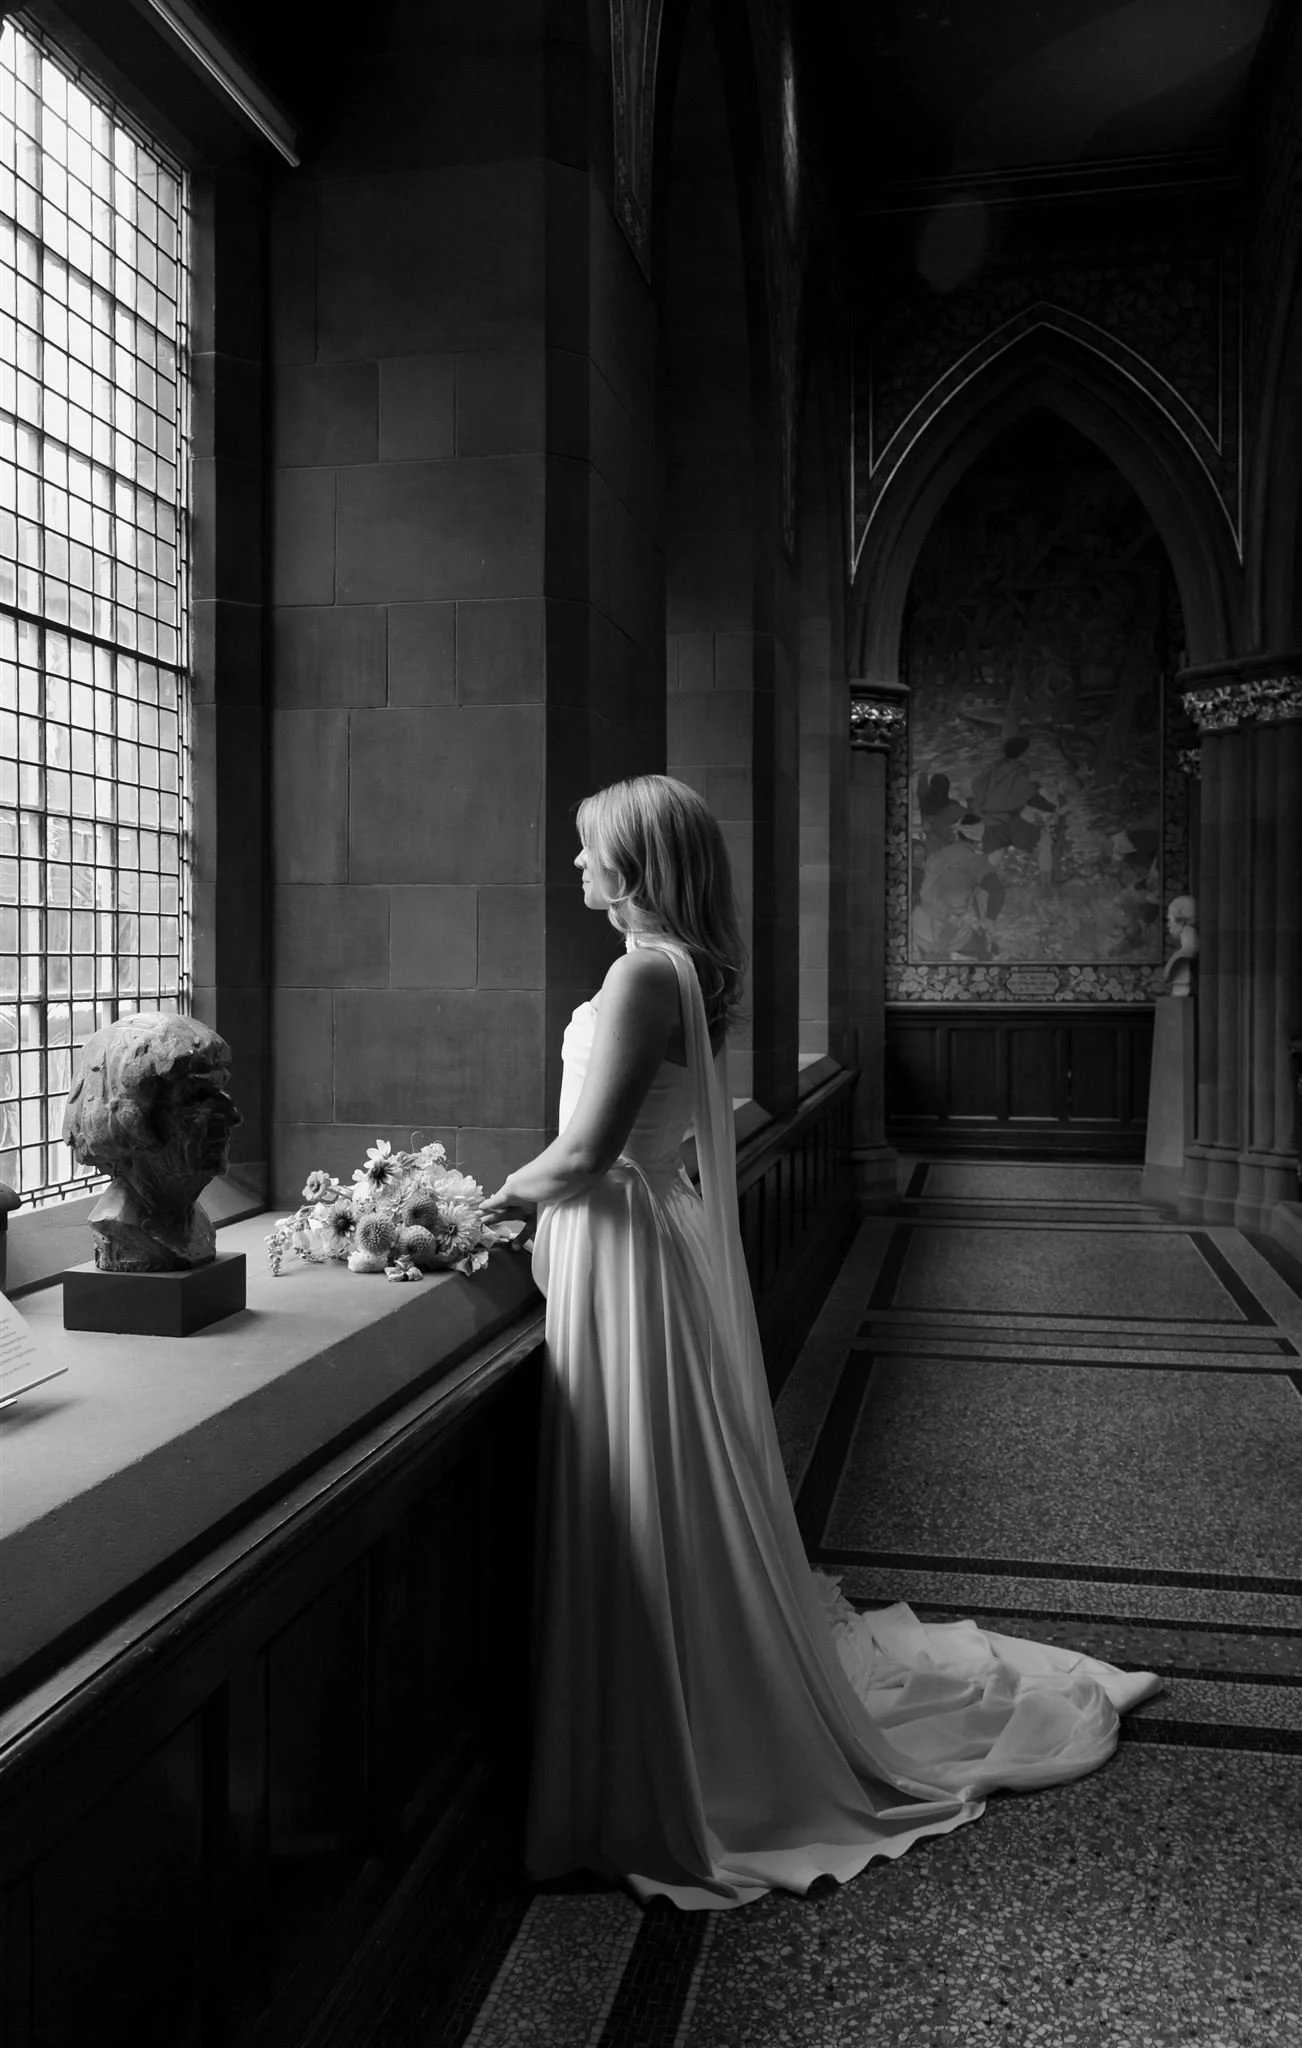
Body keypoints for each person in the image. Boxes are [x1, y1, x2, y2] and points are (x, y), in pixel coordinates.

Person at [481, 774, 1158, 1911]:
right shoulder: (682, 968)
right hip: (643, 1244)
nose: (580, 869)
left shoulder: (643, 971)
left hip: (625, 1242)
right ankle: (681, 1701)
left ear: (639, 863)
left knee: (647, 1491)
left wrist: (462, 1211)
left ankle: (673, 1742)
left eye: (593, 850)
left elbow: (585, 1152)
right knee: (664, 1489)